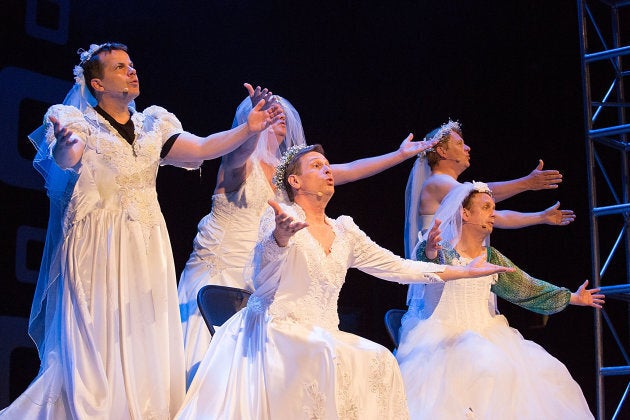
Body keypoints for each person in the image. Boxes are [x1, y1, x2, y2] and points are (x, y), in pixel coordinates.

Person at [0, 43, 280, 419]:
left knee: (140, 337)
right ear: (97, 84)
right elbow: (65, 159)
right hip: (95, 244)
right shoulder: (75, 120)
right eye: (119, 67)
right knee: (95, 339)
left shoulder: (153, 125)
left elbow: (202, 148)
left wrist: (247, 129)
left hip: (145, 244)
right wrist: (66, 147)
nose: (131, 71)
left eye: (131, 65)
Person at [174, 145, 512, 419]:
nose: (327, 170)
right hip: (276, 327)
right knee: (326, 354)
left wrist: (461, 272)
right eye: (317, 166)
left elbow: (395, 266)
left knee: (380, 357)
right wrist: (279, 238)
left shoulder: (345, 231)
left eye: (328, 165)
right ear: (295, 181)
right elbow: (260, 279)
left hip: (322, 330)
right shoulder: (279, 219)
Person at [177, 87, 442, 387]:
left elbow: (351, 170)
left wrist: (399, 155)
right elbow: (236, 152)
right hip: (222, 270)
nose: (276, 115)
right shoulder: (239, 163)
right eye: (268, 110)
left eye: (279, 112)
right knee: (209, 367)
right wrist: (250, 129)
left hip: (265, 272)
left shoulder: (290, 175)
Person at [396, 182, 603, 419]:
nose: (492, 214)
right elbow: (428, 264)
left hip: (488, 330)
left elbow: (525, 286)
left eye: (493, 208)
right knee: (487, 365)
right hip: (444, 334)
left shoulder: (491, 256)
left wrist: (572, 297)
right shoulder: (441, 249)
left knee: (546, 371)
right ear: (465, 213)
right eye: (485, 207)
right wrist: (431, 251)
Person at [403, 119, 576, 316]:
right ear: (442, 152)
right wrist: (527, 183)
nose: (467, 147)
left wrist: (540, 217)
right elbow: (482, 191)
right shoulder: (436, 183)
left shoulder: (454, 191)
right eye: (459, 144)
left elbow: (495, 213)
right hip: (445, 285)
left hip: (464, 273)